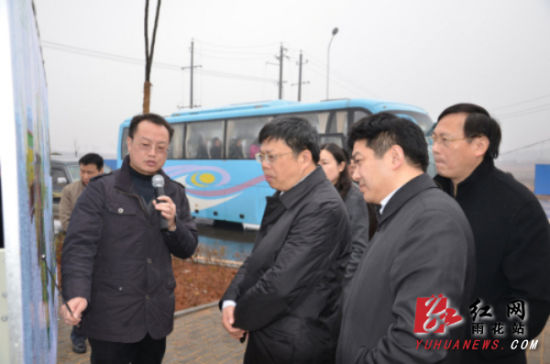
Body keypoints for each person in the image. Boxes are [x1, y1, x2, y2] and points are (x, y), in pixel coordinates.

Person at [336, 113, 475, 364]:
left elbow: (419, 343)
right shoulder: (401, 211)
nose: (354, 176)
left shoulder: (432, 221)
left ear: (394, 157)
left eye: (359, 162)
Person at [60, 113, 198, 364]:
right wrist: (76, 293)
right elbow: (79, 247)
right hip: (111, 317)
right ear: (129, 143)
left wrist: (173, 225)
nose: (153, 153)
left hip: (155, 317)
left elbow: (187, 249)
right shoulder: (101, 190)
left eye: (161, 148)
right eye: (145, 145)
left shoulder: (174, 192)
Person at [220, 116, 351, 364]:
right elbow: (257, 258)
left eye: (272, 157)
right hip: (273, 335)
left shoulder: (322, 207)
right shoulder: (288, 196)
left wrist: (240, 316)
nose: (264, 165)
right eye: (262, 157)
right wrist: (230, 299)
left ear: (303, 158)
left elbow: (282, 283)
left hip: (294, 346)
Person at [432, 103, 550, 364]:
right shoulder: (433, 196)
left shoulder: (518, 207)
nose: (435, 148)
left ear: (479, 146)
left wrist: (470, 344)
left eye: (445, 140)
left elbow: (532, 303)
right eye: (434, 139)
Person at [58, 152, 104, 354]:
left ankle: (96, 334)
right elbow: (66, 220)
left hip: (102, 255)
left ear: (101, 171)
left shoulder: (107, 190)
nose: (85, 176)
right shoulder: (70, 191)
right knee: (78, 293)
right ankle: (78, 336)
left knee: (96, 296)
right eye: (82, 171)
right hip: (79, 251)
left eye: (90, 172)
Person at [319, 143, 376, 278]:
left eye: (325, 163)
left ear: (341, 166)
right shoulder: (316, 194)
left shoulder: (354, 197)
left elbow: (359, 246)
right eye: (317, 164)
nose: (319, 168)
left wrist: (343, 280)